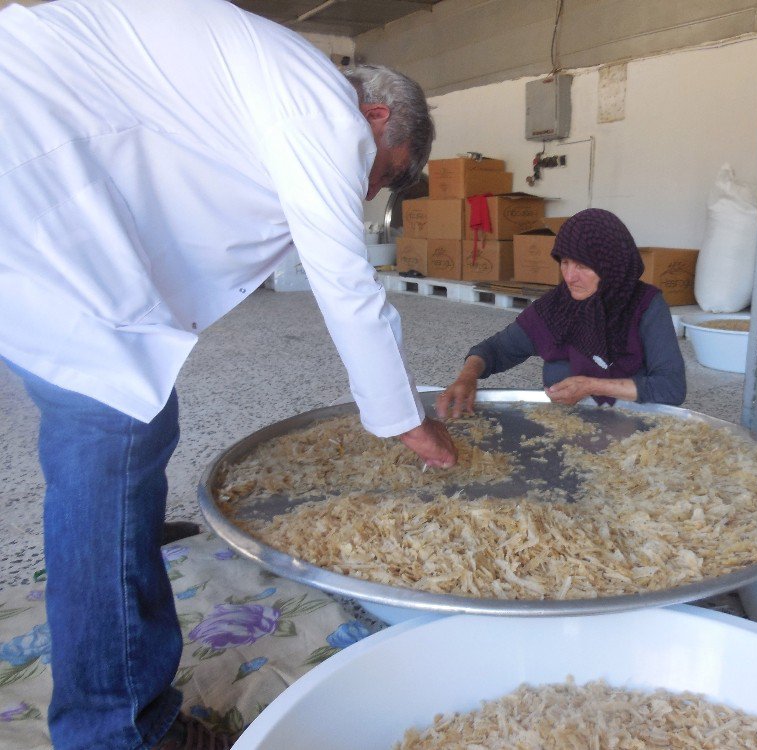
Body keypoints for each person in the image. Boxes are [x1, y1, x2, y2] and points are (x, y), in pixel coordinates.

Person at [0, 0, 456, 747]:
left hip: (40, 152)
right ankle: (115, 731)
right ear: (376, 118)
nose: (368, 193)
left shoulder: (272, 79)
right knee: (114, 432)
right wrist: (406, 419)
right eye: (382, 174)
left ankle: (122, 548)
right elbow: (344, 281)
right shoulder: (323, 108)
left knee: (131, 428)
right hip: (33, 163)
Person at [436, 208, 686, 418]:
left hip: (632, 426)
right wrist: (468, 376)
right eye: (564, 262)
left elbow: (671, 387)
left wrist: (591, 385)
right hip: (567, 427)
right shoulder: (556, 307)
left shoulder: (646, 306)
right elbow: (496, 349)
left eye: (583, 265)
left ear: (612, 265)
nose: (569, 276)